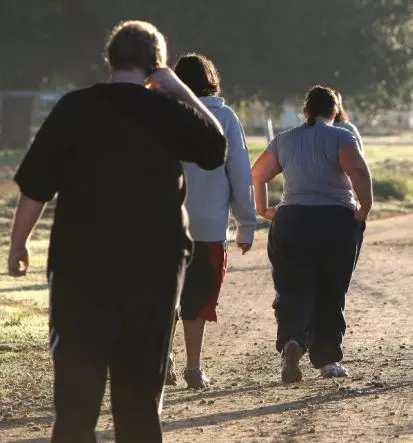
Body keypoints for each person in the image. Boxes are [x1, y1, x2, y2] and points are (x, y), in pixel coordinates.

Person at [7, 21, 227, 442]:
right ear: (156, 65)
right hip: (154, 269)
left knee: (75, 404)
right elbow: (215, 150)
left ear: (110, 60)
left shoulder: (74, 108)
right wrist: (180, 88)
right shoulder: (168, 111)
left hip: (79, 269)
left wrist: (18, 245)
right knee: (140, 400)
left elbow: (35, 188)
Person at [252, 86, 371, 383]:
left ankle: (292, 341)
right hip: (334, 221)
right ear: (335, 112)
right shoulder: (342, 136)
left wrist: (264, 208)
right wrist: (364, 207)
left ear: (305, 112)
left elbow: (257, 174)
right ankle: (328, 359)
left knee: (293, 288)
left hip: (292, 220)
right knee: (331, 289)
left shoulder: (285, 140)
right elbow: (357, 170)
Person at [164, 53, 256, 390]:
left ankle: (164, 360)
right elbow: (240, 172)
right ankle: (193, 367)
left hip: (165, 223)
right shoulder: (225, 118)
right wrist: (246, 223)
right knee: (198, 297)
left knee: (166, 295)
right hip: (208, 224)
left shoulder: (164, 115)